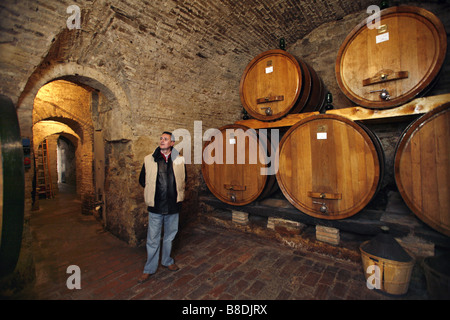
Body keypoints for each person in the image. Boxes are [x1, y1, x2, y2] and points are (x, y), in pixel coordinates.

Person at [137, 131, 186, 283]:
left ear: (172, 143)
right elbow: (142, 180)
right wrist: (153, 191)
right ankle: (149, 269)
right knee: (153, 239)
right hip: (156, 206)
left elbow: (183, 180)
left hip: (173, 206)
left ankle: (167, 261)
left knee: (170, 237)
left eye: (166, 139)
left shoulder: (179, 159)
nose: (162, 141)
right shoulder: (149, 159)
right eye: (161, 138)